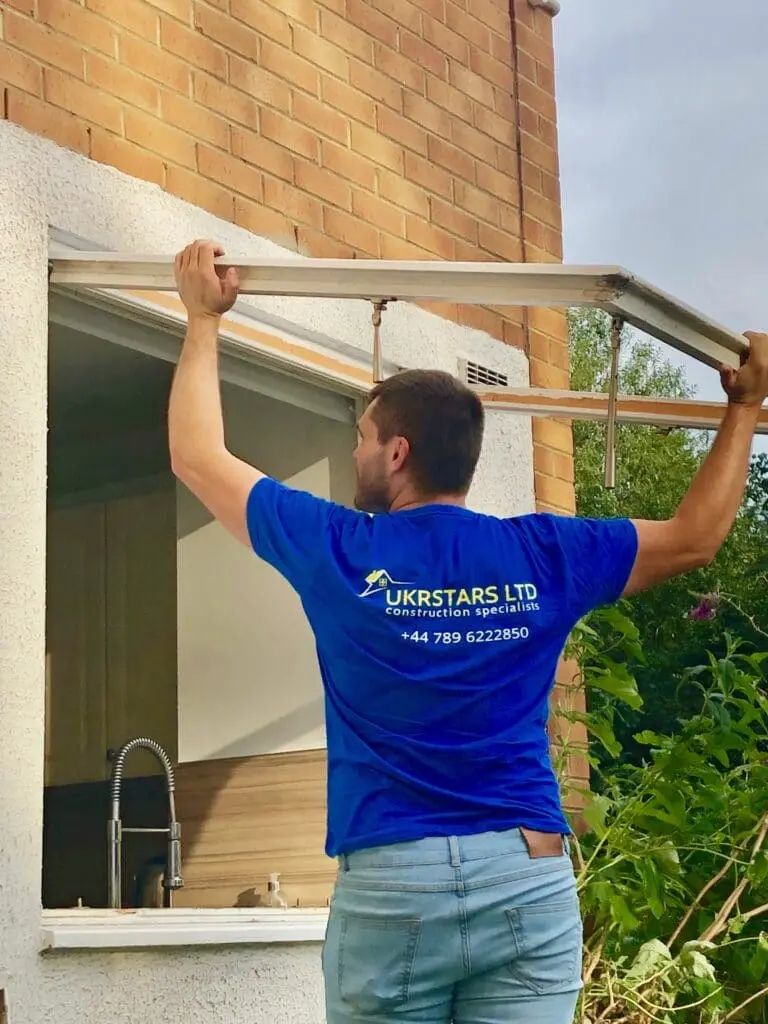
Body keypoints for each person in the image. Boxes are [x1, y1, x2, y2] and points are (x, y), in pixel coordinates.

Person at [169, 239, 768, 1024]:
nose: (353, 454)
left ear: (397, 450)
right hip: (524, 867)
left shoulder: (340, 547)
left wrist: (203, 321)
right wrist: (745, 407)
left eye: (359, 439)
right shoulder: (544, 551)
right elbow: (695, 536)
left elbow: (196, 455)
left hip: (394, 880)